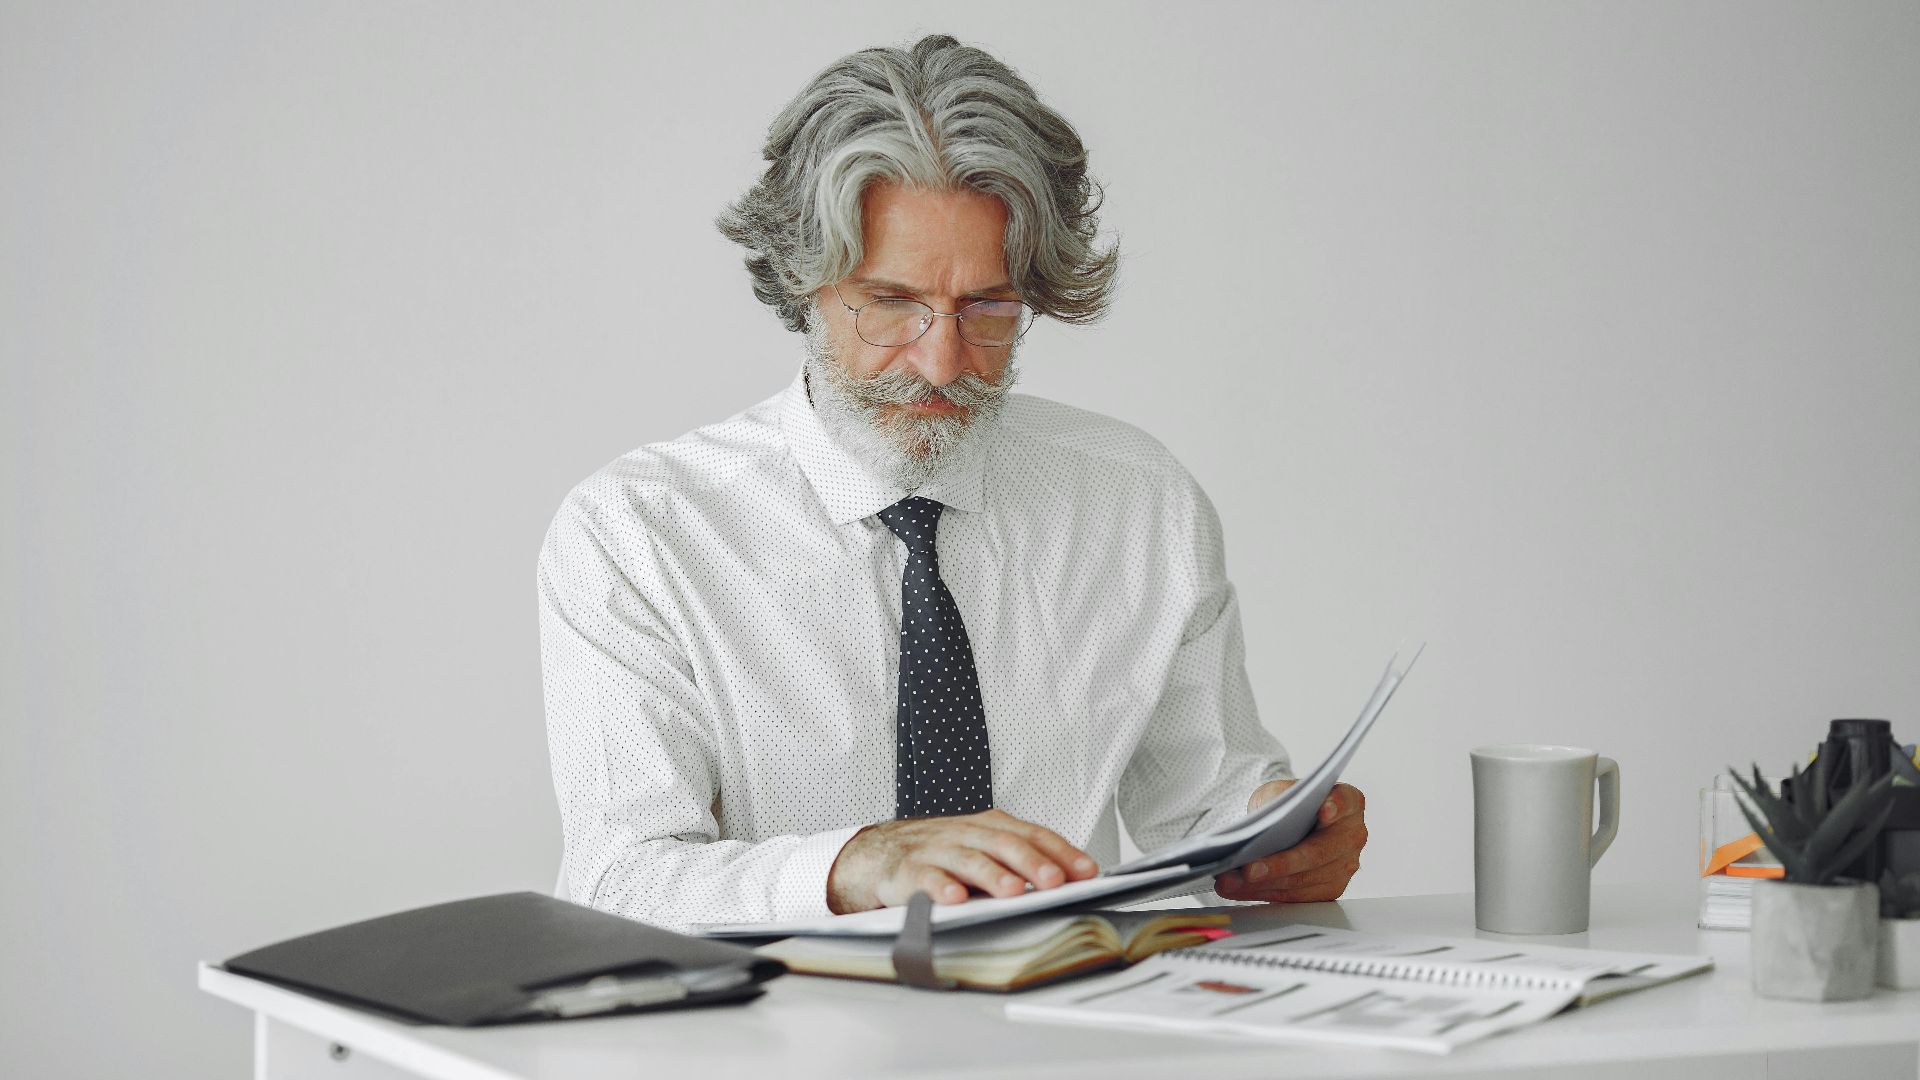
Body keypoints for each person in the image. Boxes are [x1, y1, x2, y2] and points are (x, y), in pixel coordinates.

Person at [538, 34, 1367, 931]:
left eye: (989, 307)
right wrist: (854, 865)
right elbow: (615, 880)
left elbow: (1208, 801)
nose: (941, 362)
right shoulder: (638, 533)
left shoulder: (1139, 503)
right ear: (802, 281)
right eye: (891, 301)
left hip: (1068, 1033)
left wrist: (1273, 839)